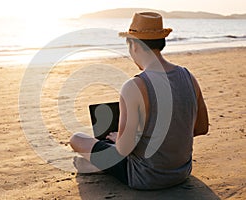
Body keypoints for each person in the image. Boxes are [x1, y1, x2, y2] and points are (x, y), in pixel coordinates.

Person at [69, 12, 209, 190]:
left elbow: (122, 150)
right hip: (181, 172)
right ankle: (96, 165)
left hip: (146, 177)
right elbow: (201, 128)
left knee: (77, 139)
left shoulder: (134, 86)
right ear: (162, 42)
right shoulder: (189, 77)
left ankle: (95, 165)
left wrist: (117, 139)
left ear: (134, 45)